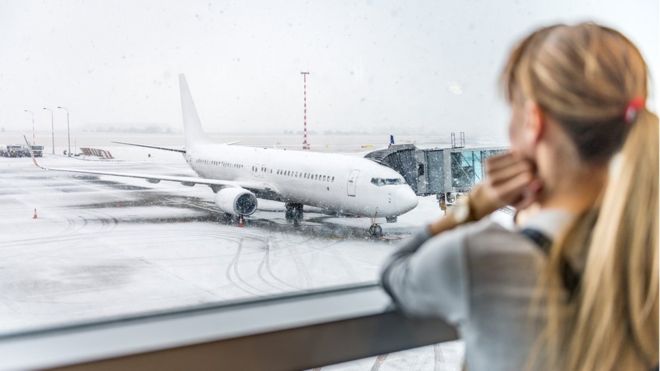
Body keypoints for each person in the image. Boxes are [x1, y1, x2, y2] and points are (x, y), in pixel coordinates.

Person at [381, 22, 658, 371]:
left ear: (533, 121)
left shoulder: (481, 257)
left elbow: (394, 273)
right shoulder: (647, 253)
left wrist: (471, 208)